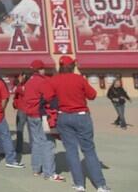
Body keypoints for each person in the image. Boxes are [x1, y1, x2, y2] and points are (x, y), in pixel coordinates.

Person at [43, 56, 111, 192]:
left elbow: (48, 97)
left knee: (71, 151)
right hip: (81, 116)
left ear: (60, 66)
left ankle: (79, 184)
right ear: (72, 66)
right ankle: (100, 185)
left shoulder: (54, 80)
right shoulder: (79, 79)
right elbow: (92, 95)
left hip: (64, 116)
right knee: (89, 151)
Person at [23, 60, 65, 182]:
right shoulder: (42, 81)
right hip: (42, 116)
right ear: (40, 69)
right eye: (43, 68)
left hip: (30, 115)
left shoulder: (29, 81)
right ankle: (49, 173)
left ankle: (36, 168)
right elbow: (50, 97)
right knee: (48, 143)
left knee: (36, 142)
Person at [12, 72, 30, 155]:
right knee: (31, 130)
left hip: (22, 110)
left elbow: (17, 94)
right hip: (29, 110)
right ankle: (33, 147)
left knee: (20, 130)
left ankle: (19, 148)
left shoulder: (20, 86)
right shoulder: (30, 85)